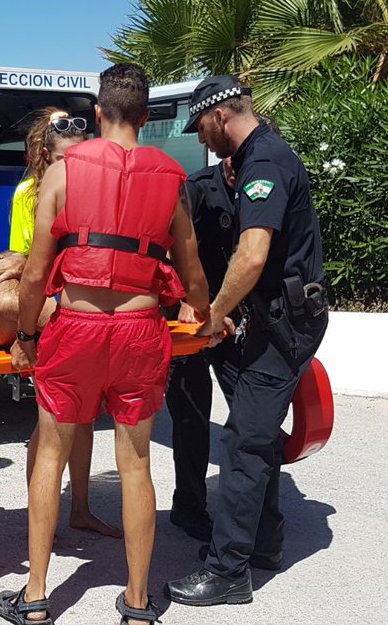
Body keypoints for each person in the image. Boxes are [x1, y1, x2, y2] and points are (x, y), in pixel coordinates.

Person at [0, 63, 211, 625]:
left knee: (51, 451)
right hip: (141, 332)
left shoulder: (63, 172)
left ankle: (36, 596)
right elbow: (192, 273)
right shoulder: (172, 177)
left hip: (75, 329)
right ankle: (138, 602)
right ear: (147, 115)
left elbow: (36, 273)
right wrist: (209, 315)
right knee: (136, 462)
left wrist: (25, 335)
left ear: (97, 113)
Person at [165, 76, 329, 608]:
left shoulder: (264, 162)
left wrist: (214, 314)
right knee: (255, 437)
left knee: (244, 441)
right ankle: (263, 541)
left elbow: (254, 255)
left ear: (220, 116)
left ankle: (228, 571)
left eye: (201, 128)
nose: (201, 139)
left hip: (283, 326)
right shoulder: (261, 157)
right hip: (274, 321)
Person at [0, 108, 120, 538]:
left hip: (78, 305)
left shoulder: (98, 187)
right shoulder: (28, 194)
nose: (73, 169)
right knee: (51, 423)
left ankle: (80, 509)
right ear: (45, 156)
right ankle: (41, 522)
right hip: (58, 312)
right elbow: (26, 262)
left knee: (83, 419)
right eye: (64, 161)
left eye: (80, 159)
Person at [163, 157, 240, 542]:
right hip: (189, 317)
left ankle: (248, 509)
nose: (235, 168)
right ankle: (189, 506)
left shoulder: (264, 184)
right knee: (191, 417)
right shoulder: (196, 189)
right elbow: (168, 249)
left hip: (232, 317)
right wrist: (183, 301)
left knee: (249, 415)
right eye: (231, 160)